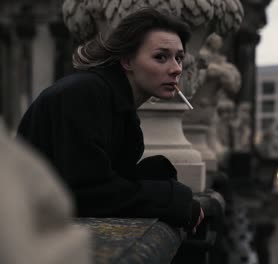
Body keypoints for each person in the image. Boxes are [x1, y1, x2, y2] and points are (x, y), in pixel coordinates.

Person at [17, 8, 203, 233]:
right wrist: (174, 199)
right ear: (127, 61)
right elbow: (88, 193)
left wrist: (162, 181)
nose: (175, 69)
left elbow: (109, 180)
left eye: (179, 58)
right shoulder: (84, 94)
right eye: (160, 57)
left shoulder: (114, 100)